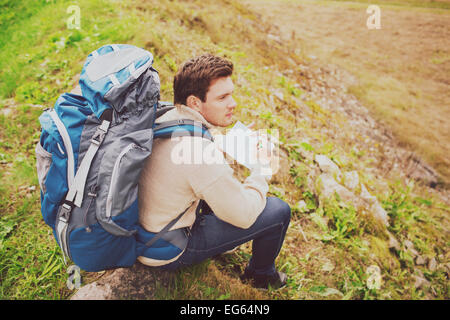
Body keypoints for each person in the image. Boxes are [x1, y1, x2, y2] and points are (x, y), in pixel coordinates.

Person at [137, 54, 291, 289]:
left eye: (231, 94)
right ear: (195, 103)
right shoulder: (200, 155)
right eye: (222, 97)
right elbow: (244, 215)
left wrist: (224, 145)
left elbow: (185, 159)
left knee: (217, 192)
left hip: (141, 229)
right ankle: (260, 276)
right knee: (278, 211)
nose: (233, 104)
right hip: (165, 248)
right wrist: (261, 170)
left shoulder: (167, 114)